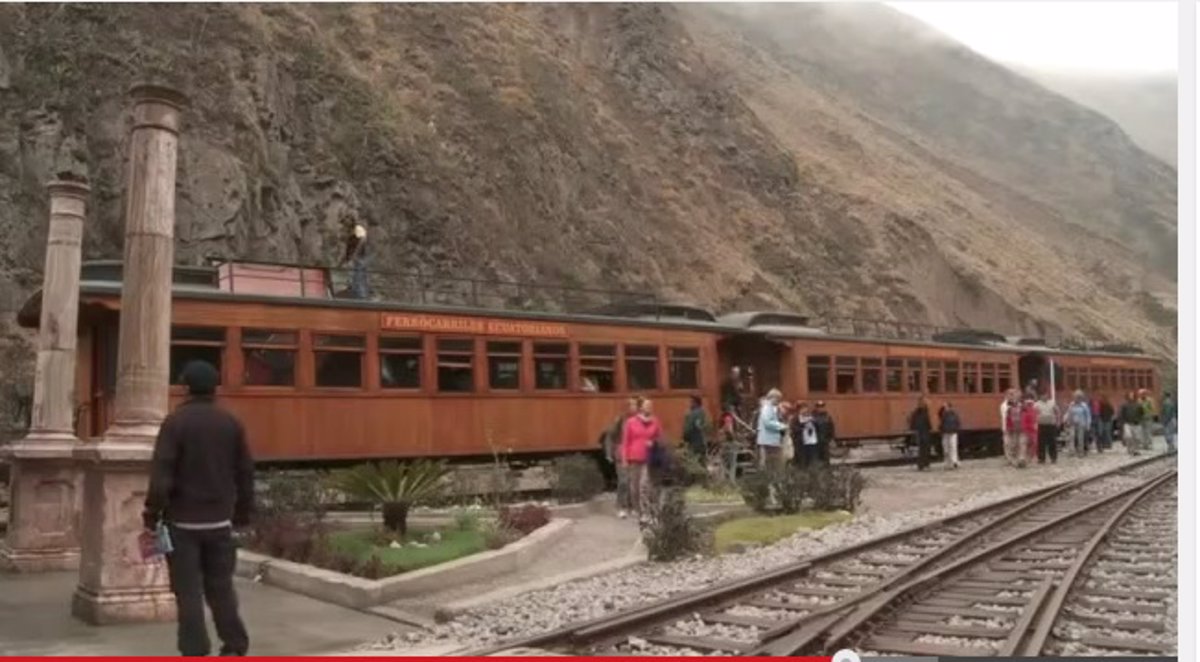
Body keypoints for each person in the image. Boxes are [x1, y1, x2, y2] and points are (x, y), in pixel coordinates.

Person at [143, 360, 254, 657]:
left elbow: (161, 473)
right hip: (220, 523)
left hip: (183, 525)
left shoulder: (175, 423)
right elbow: (245, 472)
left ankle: (195, 650)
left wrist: (151, 515)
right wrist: (242, 514)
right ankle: (234, 645)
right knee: (221, 589)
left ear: (185, 388)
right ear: (215, 387)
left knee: (188, 593)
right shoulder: (230, 423)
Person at [620, 397, 661, 521]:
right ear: (641, 407)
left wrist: (653, 442)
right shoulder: (631, 422)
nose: (649, 407)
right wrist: (624, 459)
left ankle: (645, 512)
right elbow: (625, 441)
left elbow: (659, 438)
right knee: (634, 487)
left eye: (650, 405)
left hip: (648, 458)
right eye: (646, 405)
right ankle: (637, 510)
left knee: (644, 485)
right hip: (633, 457)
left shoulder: (655, 421)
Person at [604, 397, 640, 518]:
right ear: (627, 407)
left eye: (635, 405)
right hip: (621, 454)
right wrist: (609, 453)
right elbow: (610, 436)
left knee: (633, 482)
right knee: (623, 481)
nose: (634, 407)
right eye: (632, 405)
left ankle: (633, 507)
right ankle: (621, 507)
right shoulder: (620, 420)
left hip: (635, 455)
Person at [755, 389, 788, 473]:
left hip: (769, 440)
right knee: (773, 463)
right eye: (778, 399)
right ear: (773, 398)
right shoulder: (767, 408)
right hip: (768, 440)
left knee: (772, 462)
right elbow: (767, 422)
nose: (779, 402)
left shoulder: (768, 407)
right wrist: (781, 426)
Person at [338, 218, 369, 299]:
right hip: (351, 258)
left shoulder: (358, 228)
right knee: (352, 276)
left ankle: (361, 295)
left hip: (359, 258)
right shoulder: (348, 233)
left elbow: (363, 240)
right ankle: (353, 292)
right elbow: (347, 248)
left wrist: (355, 253)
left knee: (359, 276)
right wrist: (342, 261)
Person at [1034, 391, 1060, 464]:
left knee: (1052, 442)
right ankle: (1041, 458)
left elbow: (1057, 411)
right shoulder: (1036, 404)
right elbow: (1033, 414)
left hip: (1051, 425)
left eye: (1045, 395)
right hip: (1041, 425)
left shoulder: (1052, 403)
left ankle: (1053, 457)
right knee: (1041, 442)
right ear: (1040, 396)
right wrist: (1035, 423)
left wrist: (1058, 421)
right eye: (1042, 395)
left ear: (1047, 395)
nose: (1044, 396)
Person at [791, 402, 820, 468]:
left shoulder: (812, 417)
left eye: (806, 408)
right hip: (801, 442)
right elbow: (794, 429)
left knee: (812, 459)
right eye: (803, 409)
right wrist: (803, 425)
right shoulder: (795, 419)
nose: (805, 410)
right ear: (799, 410)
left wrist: (814, 422)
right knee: (802, 460)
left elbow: (818, 428)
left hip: (812, 441)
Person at [682, 395, 709, 460]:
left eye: (691, 402)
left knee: (694, 459)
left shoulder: (694, 414)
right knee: (702, 459)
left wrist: (685, 436)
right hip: (702, 440)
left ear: (696, 403)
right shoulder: (703, 412)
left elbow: (689, 428)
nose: (690, 404)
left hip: (694, 441)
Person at [1065, 390, 1093, 456]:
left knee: (1080, 438)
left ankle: (1081, 452)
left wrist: (1088, 424)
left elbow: (1088, 416)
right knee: (1071, 437)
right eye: (1075, 397)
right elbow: (1069, 413)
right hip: (1073, 423)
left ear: (1080, 398)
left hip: (1081, 424)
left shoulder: (1084, 406)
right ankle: (1071, 451)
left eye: (1077, 397)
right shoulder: (1072, 404)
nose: (1076, 398)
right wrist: (1067, 420)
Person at [909, 396, 933, 471]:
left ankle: (921, 465)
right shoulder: (925, 412)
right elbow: (928, 422)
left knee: (921, 450)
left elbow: (913, 423)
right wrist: (930, 428)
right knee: (925, 449)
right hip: (924, 432)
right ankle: (925, 464)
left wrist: (914, 428)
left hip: (919, 433)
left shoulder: (916, 412)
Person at [1001, 389, 1023, 467]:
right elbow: (1005, 414)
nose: (1011, 396)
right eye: (1010, 394)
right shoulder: (1004, 405)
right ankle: (1009, 459)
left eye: (1012, 394)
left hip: (1016, 427)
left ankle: (1015, 458)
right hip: (1007, 427)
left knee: (1015, 443)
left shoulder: (1019, 404)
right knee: (1007, 443)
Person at [1019, 393, 1038, 467]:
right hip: (1026, 430)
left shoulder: (1033, 409)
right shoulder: (1024, 409)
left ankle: (1029, 459)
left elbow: (1035, 419)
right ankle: (1023, 459)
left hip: (1032, 430)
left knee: (1033, 445)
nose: (1029, 402)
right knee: (1024, 444)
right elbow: (1023, 420)